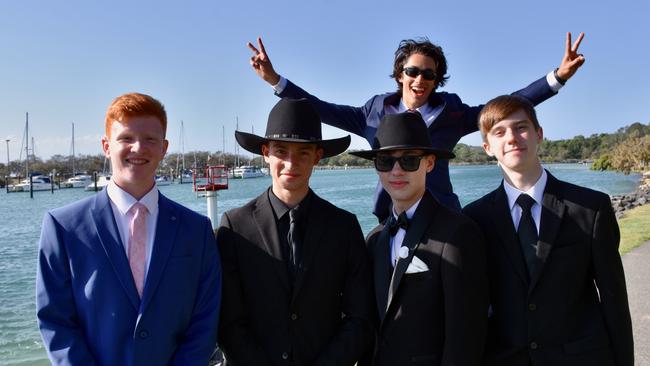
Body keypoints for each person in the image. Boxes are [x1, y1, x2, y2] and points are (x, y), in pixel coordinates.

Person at [247, 33, 585, 220]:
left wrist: (556, 78)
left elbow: (506, 107)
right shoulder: (374, 111)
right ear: (399, 74)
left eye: (429, 74)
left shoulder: (451, 112)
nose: (420, 80)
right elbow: (319, 109)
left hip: (442, 215)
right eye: (413, 71)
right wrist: (276, 80)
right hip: (390, 215)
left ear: (437, 81)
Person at [36, 93, 222, 365]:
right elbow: (56, 321)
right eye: (126, 138)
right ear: (106, 146)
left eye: (150, 139)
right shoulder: (63, 228)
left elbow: (205, 320)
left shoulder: (197, 230)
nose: (138, 148)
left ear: (164, 147)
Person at [463, 95, 634, 366]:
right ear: (487, 147)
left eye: (521, 127)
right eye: (499, 132)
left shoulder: (592, 208)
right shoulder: (474, 218)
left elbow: (615, 302)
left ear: (538, 134)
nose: (512, 138)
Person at [216, 98, 374, 366]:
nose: (291, 162)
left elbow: (360, 317)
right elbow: (228, 321)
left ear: (317, 156)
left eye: (303, 152)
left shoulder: (344, 227)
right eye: (281, 150)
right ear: (265, 152)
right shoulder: (234, 227)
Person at [350, 112, 489, 365]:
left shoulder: (459, 232)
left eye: (410, 160)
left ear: (430, 163)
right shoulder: (374, 238)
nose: (396, 171)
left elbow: (466, 335)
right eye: (385, 161)